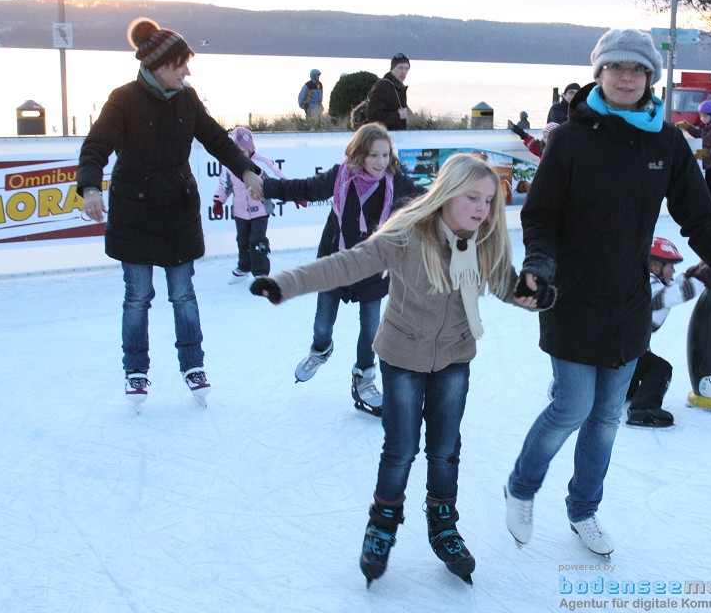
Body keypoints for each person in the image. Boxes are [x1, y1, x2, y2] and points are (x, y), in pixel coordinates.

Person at [503, 29, 711, 558]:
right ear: (600, 75)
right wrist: (540, 264)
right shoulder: (570, 139)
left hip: (628, 303)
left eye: (635, 70)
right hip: (570, 297)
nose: (625, 77)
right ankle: (521, 488)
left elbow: (699, 219)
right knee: (571, 406)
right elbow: (540, 215)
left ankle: (583, 510)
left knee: (607, 415)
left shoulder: (664, 141)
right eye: (615, 68)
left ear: (648, 79)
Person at [250, 153, 545, 586]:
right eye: (472, 197)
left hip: (454, 358)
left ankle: (443, 525)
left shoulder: (484, 242)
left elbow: (504, 285)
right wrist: (285, 284)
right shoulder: (408, 235)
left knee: (445, 449)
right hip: (402, 358)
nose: (482, 208)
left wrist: (532, 295)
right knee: (401, 449)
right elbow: (345, 263)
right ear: (446, 194)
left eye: (488, 200)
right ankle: (383, 523)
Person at [77, 17, 263, 409]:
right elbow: (96, 146)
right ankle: (136, 369)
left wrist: (246, 169)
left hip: (178, 210)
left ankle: (193, 364)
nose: (187, 71)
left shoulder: (187, 99)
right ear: (159, 65)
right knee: (138, 296)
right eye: (181, 64)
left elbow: (215, 138)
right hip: (135, 213)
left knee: (183, 294)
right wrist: (91, 185)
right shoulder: (123, 99)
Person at [261, 123, 425, 415]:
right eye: (373, 155)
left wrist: (459, 198)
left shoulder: (395, 182)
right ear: (359, 154)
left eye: (385, 155)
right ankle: (321, 349)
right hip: (335, 263)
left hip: (374, 267)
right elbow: (306, 188)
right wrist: (267, 187)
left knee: (372, 327)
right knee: (323, 322)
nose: (380, 162)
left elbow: (425, 198)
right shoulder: (341, 176)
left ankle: (364, 376)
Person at [624, 239, 705, 428]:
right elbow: (672, 295)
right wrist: (703, 278)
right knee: (659, 369)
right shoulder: (645, 285)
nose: (674, 271)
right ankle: (642, 410)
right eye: (671, 267)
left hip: (622, 348)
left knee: (641, 360)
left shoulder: (637, 279)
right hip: (618, 351)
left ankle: (621, 390)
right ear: (655, 266)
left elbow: (671, 287)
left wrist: (691, 274)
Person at [213, 126, 289, 283]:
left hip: (261, 209)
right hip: (240, 211)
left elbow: (277, 176)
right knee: (242, 239)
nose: (240, 155)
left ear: (250, 149)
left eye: (243, 151)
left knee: (257, 239)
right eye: (236, 151)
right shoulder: (229, 165)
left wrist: (293, 194)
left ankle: (261, 272)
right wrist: (219, 201)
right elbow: (224, 185)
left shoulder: (260, 163)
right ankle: (244, 267)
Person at [684, 99, 711, 217]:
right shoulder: (706, 127)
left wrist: (706, 152)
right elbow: (699, 134)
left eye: (705, 116)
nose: (702, 118)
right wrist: (688, 127)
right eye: (701, 116)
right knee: (709, 183)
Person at [367, 53, 410, 131]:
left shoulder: (399, 87)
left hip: (395, 136)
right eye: (400, 67)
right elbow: (373, 117)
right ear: (392, 69)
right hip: (381, 137)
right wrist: (398, 115)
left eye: (406, 68)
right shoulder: (382, 87)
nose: (404, 71)